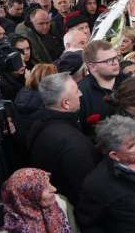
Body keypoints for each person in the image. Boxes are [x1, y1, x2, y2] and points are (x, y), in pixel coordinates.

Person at [27, 72, 98, 204]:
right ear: (66, 103)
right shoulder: (72, 142)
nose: (81, 94)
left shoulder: (37, 124)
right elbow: (86, 191)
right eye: (77, 91)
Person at [78, 40, 121, 130]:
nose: (115, 62)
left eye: (116, 57)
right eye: (109, 60)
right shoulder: (80, 92)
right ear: (92, 66)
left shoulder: (129, 81)